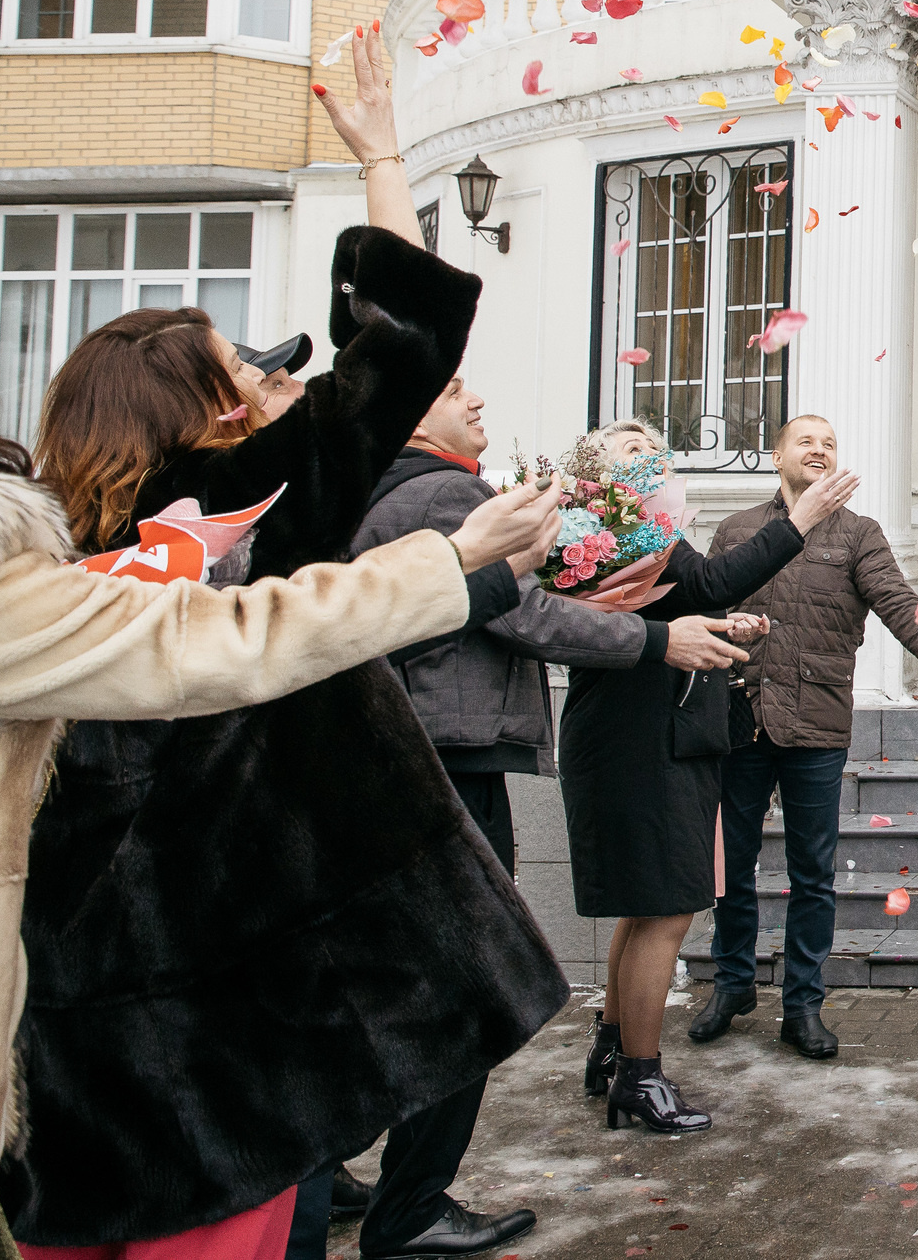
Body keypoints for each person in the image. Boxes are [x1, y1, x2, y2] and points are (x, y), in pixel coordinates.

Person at [1, 25, 578, 1260]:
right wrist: (381, 160)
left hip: (74, 1052)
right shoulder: (231, 517)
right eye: (253, 377)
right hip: (233, 1034)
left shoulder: (36, 565)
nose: (283, 391)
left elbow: (391, 357)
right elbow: (400, 353)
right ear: (208, 413)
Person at [0, 439, 562, 1259]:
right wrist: (458, 559)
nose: (255, 412)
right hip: (172, 1026)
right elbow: (239, 638)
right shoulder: (27, 587)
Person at [342, 373, 750, 1253]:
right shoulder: (444, 494)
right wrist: (658, 637)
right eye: (452, 387)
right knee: (467, 983)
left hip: (429, 744)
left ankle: (337, 1169)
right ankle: (407, 1205)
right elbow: (521, 615)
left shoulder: (398, 489)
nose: (477, 399)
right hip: (453, 749)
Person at [561, 418, 852, 1137]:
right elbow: (713, 580)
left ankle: (611, 1049)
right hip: (637, 741)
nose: (651, 454)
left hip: (655, 734)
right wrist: (800, 521)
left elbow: (692, 595)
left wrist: (724, 625)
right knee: (664, 910)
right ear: (596, 470)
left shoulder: (646, 527)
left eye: (654, 446)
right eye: (632, 448)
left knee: (645, 906)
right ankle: (640, 1075)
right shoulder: (613, 528)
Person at [693, 414, 918, 1060]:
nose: (820, 449)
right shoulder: (738, 530)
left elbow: (902, 604)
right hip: (741, 718)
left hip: (817, 723)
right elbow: (706, 605)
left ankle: (803, 1004)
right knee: (731, 867)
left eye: (829, 442)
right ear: (777, 457)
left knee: (812, 873)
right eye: (806, 440)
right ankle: (733, 983)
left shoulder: (858, 533)